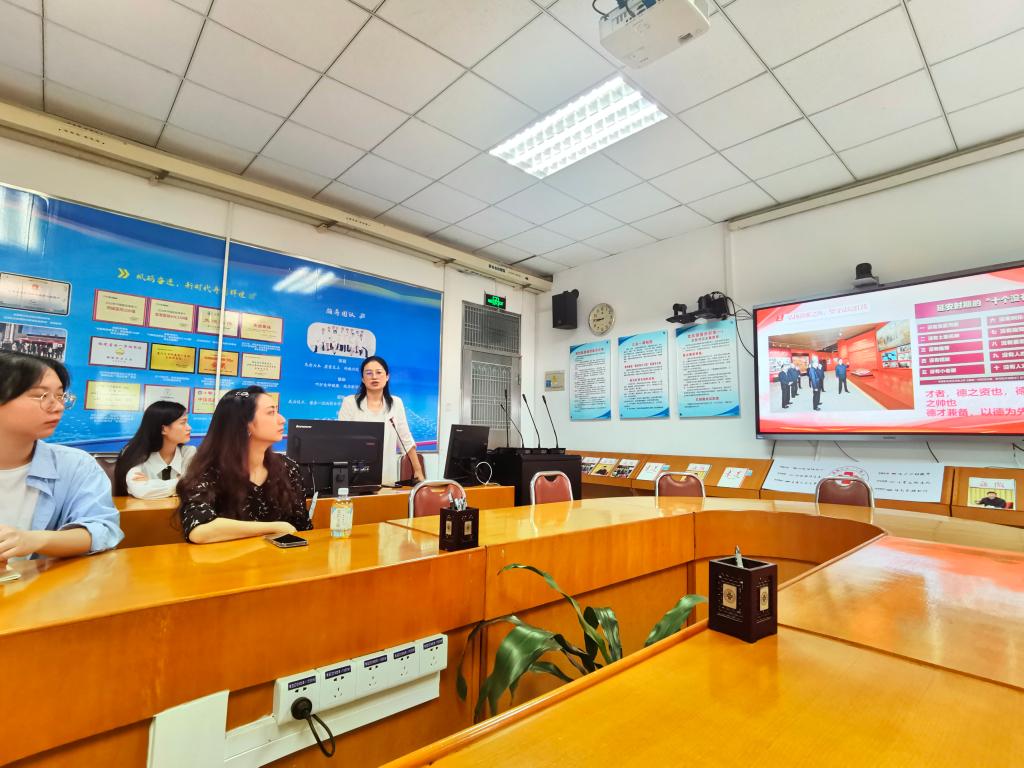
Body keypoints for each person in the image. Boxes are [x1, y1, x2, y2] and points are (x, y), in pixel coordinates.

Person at [0, 351, 123, 563]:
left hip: (40, 582)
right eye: (40, 395)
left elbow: (103, 529)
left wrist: (34, 540)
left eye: (60, 396)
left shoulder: (76, 464)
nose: (58, 407)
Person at [176, 386, 312, 544]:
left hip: (282, 558)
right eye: (271, 412)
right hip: (228, 558)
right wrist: (274, 527)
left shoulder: (288, 468)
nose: (282, 419)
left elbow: (302, 527)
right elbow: (199, 531)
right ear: (244, 424)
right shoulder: (208, 472)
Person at [338, 356, 424, 486]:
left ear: (387, 376)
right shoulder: (350, 402)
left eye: (379, 372)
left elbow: (406, 439)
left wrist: (418, 470)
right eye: (369, 373)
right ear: (363, 379)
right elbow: (341, 440)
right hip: (354, 475)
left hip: (386, 477)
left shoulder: (396, 403)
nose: (374, 377)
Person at [113, 401, 196, 499]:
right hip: (142, 508)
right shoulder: (134, 453)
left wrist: (151, 483)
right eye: (183, 423)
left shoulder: (188, 452)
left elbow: (193, 486)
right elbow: (140, 490)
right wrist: (180, 483)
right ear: (163, 429)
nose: (189, 428)